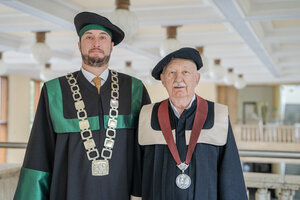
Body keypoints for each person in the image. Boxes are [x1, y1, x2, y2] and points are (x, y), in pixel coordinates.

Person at [14, 11, 150, 200]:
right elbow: (39, 152)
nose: (96, 43)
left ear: (111, 46)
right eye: (89, 37)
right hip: (68, 191)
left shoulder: (134, 89)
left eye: (103, 37)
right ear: (79, 45)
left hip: (120, 191)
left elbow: (145, 152)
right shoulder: (55, 91)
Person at [132, 47, 248, 200]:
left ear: (197, 79)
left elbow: (230, 174)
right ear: (163, 80)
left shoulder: (217, 115)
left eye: (186, 72)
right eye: (171, 73)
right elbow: (137, 171)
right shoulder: (147, 116)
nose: (178, 79)